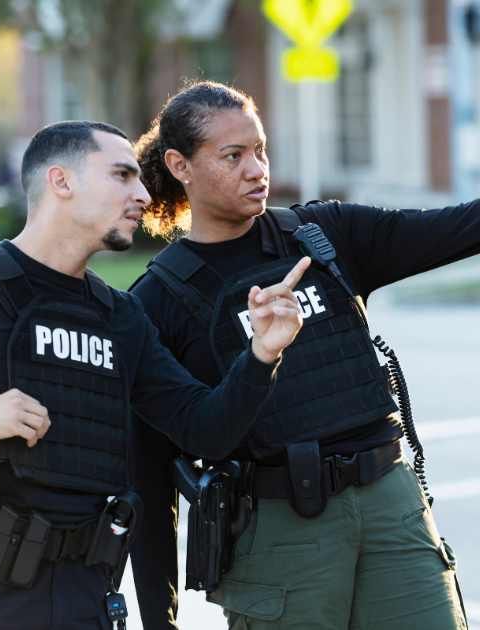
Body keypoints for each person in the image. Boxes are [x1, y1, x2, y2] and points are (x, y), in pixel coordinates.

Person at [0, 120, 310, 630]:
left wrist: (261, 355)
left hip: (90, 598)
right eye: (122, 175)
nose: (143, 195)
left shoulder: (120, 318)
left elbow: (204, 429)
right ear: (61, 181)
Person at [129, 80, 471, 630]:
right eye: (233, 156)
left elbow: (459, 228)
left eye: (260, 150)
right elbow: (149, 477)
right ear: (180, 165)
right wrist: (159, 619)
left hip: (391, 508)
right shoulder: (157, 300)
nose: (257, 170)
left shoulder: (322, 236)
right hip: (278, 533)